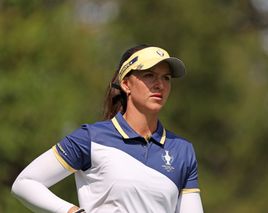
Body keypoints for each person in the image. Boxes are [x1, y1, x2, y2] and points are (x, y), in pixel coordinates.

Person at [11, 44, 204, 213]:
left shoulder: (182, 150)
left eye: (166, 78)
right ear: (126, 84)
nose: (159, 85)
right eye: (149, 75)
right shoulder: (91, 138)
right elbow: (25, 184)